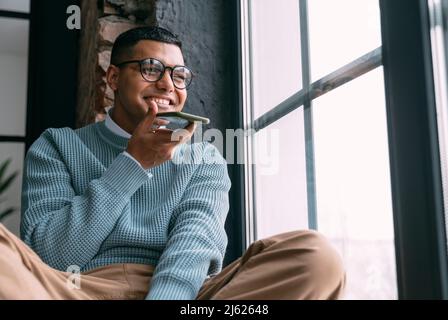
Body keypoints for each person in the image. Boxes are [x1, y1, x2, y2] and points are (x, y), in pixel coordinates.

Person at [0, 26, 345, 300]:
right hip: (73, 290)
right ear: (114, 79)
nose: (167, 84)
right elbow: (54, 255)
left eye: (179, 75)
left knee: (315, 258)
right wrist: (134, 163)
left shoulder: (203, 157)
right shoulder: (57, 145)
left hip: (188, 297)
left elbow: (192, 248)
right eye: (150, 69)